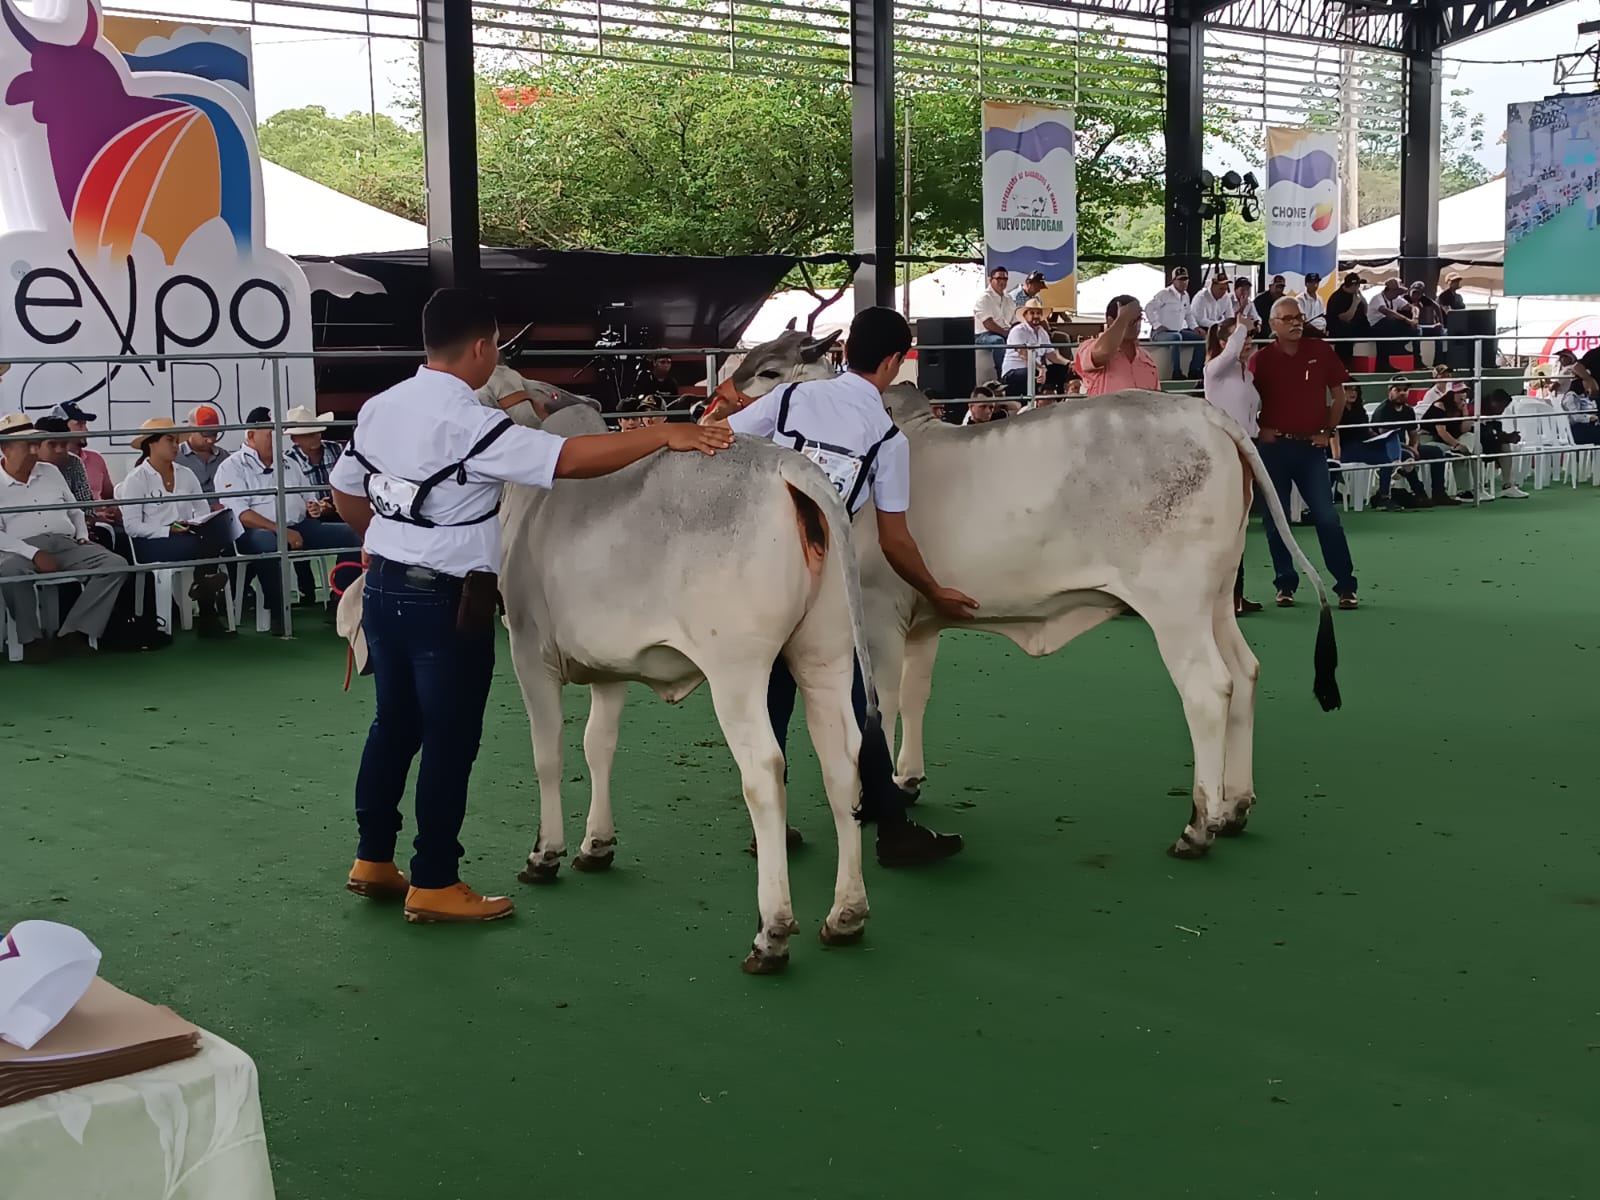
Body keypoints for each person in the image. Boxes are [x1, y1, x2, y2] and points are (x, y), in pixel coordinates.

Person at [329, 288, 734, 924]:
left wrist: (386, 542)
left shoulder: (381, 407)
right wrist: (666, 434)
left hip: (382, 589)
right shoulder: (470, 421)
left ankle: (373, 859)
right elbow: (568, 458)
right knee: (448, 739)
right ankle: (435, 880)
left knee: (394, 727)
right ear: (484, 347)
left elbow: (346, 487)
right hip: (445, 600)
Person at [714, 306, 971, 868]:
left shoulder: (788, 399)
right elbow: (896, 540)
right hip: (818, 573)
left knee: (775, 692)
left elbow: (717, 441)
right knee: (855, 698)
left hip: (753, 569)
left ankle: (775, 823)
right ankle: (892, 828)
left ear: (845, 349)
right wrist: (936, 589)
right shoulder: (887, 438)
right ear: (893, 362)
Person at [1248, 298, 1359, 609]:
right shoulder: (1261, 359)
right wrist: (1259, 428)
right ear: (1273, 325)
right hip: (1273, 449)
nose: (1296, 323)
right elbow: (1246, 399)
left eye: (1299, 317)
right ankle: (1285, 583)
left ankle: (1346, 586)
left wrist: (1328, 430)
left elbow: (1339, 394)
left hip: (1311, 448)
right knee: (1276, 519)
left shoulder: (1320, 351)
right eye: (1287, 318)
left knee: (1327, 517)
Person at [214, 406, 362, 632]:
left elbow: (308, 498)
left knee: (354, 534)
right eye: (269, 433)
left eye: (276, 432)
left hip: (299, 525)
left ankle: (340, 599)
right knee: (267, 543)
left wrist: (315, 507)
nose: (274, 437)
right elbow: (240, 513)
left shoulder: (289, 463)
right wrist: (281, 530)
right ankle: (277, 611)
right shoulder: (231, 467)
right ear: (251, 435)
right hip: (255, 531)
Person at [0, 413, 133, 662]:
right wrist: (34, 553)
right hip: (17, 549)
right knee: (10, 571)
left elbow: (75, 509)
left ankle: (74, 633)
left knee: (115, 564)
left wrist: (82, 536)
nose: (33, 450)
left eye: (35, 444)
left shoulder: (50, 471)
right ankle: (30, 641)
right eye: (26, 445)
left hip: (65, 542)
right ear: (5, 448)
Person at [115, 418, 235, 637]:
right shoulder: (137, 479)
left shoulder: (185, 474)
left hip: (187, 536)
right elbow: (132, 527)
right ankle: (207, 606)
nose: (175, 446)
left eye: (176, 440)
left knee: (216, 533)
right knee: (207, 545)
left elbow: (201, 510)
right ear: (151, 444)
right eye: (169, 440)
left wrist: (195, 523)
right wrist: (168, 529)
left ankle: (204, 593)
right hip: (150, 543)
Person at [1202, 316, 1262, 615]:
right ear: (1225, 342)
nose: (1248, 339)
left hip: (1246, 447)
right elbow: (1229, 353)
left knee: (1239, 524)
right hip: (1225, 449)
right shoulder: (1215, 370)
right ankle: (1221, 596)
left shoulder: (1243, 374)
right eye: (1241, 336)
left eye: (1250, 335)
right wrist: (1241, 326)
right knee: (1226, 524)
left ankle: (1234, 594)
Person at [283, 406, 347, 609]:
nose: (315, 437)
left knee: (354, 530)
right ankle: (307, 589)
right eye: (308, 434)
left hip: (338, 509)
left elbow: (348, 482)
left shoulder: (336, 449)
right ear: (295, 439)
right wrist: (313, 506)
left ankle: (340, 589)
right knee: (299, 524)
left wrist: (333, 503)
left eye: (317, 431)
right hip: (310, 513)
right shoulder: (287, 461)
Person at [1073, 296, 1159, 395]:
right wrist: (1123, 318)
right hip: (1104, 410)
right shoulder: (1088, 347)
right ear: (1110, 321)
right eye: (1131, 321)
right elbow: (1104, 351)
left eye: (1139, 319)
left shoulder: (1147, 359)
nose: (1136, 324)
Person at [1419, 381, 1487, 502]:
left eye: (1464, 392)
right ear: (1451, 394)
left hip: (1449, 440)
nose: (1463, 395)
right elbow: (1441, 431)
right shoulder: (1439, 406)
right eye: (1459, 392)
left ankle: (1476, 487)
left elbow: (1463, 430)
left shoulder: (1460, 407)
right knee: (1460, 451)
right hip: (1430, 440)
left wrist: (1465, 412)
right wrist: (1456, 444)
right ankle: (1464, 489)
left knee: (1472, 439)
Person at [1000, 299, 1071, 399]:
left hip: (1035, 369)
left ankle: (1059, 400)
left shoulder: (1042, 332)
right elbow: (1023, 354)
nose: (1036, 316)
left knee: (1063, 369)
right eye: (1032, 313)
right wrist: (1040, 368)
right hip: (1013, 373)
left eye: (1038, 313)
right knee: (1035, 373)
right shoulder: (1018, 331)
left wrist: (1069, 363)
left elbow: (1052, 355)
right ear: (1025, 315)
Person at [1146, 267, 1204, 380]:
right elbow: (1149, 308)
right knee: (1176, 337)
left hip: (1177, 331)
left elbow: (1188, 314)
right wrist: (1157, 325)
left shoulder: (1185, 295)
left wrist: (1195, 327)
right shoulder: (1164, 294)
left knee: (1201, 338)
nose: (1184, 282)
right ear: (1174, 281)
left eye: (1185, 279)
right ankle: (1176, 372)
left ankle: (1195, 370)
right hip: (1160, 334)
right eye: (1180, 279)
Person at [1478, 388, 1530, 499]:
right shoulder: (1477, 409)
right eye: (1501, 406)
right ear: (1493, 402)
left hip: (1489, 442)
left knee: (1505, 446)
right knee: (1478, 447)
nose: (1502, 410)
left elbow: (1497, 432)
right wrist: (1501, 437)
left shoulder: (1496, 414)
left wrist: (1508, 437)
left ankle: (1508, 486)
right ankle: (1478, 488)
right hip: (1477, 442)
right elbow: (1480, 434)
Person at [177, 405, 232, 500]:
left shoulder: (224, 456)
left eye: (214, 434)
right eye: (205, 434)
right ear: (190, 429)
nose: (210, 440)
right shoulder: (175, 457)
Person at [972, 266, 1017, 377]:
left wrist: (1017, 332)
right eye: (998, 279)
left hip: (1005, 332)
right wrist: (1007, 334)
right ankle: (1003, 374)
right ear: (990, 280)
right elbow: (988, 324)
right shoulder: (984, 298)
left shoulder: (1009, 298)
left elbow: (1015, 319)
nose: (1002, 281)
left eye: (1005, 279)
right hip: (983, 335)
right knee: (998, 341)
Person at [1369, 280, 1420, 371]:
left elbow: (1413, 307)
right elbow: (1387, 312)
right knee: (1390, 322)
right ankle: (1395, 349)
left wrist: (1415, 319)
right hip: (1374, 327)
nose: (1399, 294)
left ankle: (1417, 359)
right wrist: (1407, 320)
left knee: (1416, 329)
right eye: (1397, 291)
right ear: (1390, 290)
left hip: (1389, 327)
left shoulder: (1396, 298)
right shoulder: (1378, 298)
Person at [1324, 273, 1369, 365]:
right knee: (1346, 335)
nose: (1358, 287)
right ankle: (1344, 368)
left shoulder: (1356, 295)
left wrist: (1361, 299)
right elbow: (1346, 318)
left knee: (1381, 330)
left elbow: (1365, 311)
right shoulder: (1337, 298)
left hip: (1357, 326)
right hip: (1341, 330)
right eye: (1357, 285)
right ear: (1352, 285)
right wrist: (1355, 304)